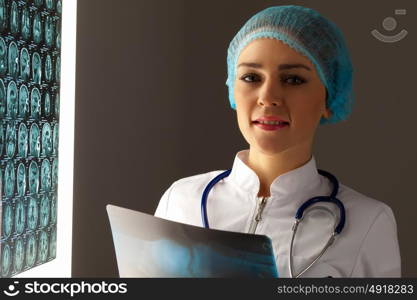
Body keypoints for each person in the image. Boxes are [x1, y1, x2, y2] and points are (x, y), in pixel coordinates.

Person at [154, 5, 401, 277]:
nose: (268, 96)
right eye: (251, 77)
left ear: (329, 99)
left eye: (293, 79)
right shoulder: (181, 200)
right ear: (233, 91)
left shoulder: (367, 222)